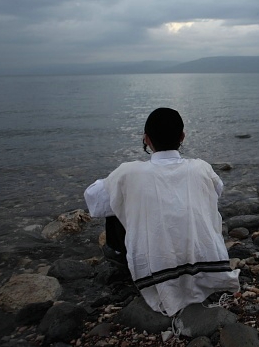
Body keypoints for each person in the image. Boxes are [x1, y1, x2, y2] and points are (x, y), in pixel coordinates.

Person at [84, 107, 240, 316]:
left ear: (146, 139)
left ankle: (125, 264)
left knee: (116, 202)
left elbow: (93, 199)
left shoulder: (130, 173)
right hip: (205, 258)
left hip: (156, 265)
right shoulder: (201, 168)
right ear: (182, 136)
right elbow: (217, 190)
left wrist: (121, 187)